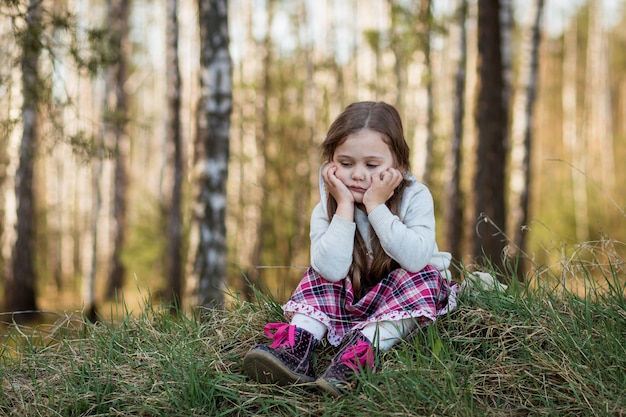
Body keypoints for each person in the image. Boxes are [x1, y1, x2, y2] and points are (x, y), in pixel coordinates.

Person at [243, 101, 459, 397]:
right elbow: (331, 268)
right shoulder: (329, 206)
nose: (358, 175)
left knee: (422, 275)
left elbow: (416, 259)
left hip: (404, 295)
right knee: (320, 272)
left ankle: (358, 354)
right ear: (331, 163)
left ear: (398, 165)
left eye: (371, 165)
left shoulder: (415, 197)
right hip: (354, 294)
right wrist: (344, 206)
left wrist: (376, 206)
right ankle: (298, 347)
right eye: (346, 164)